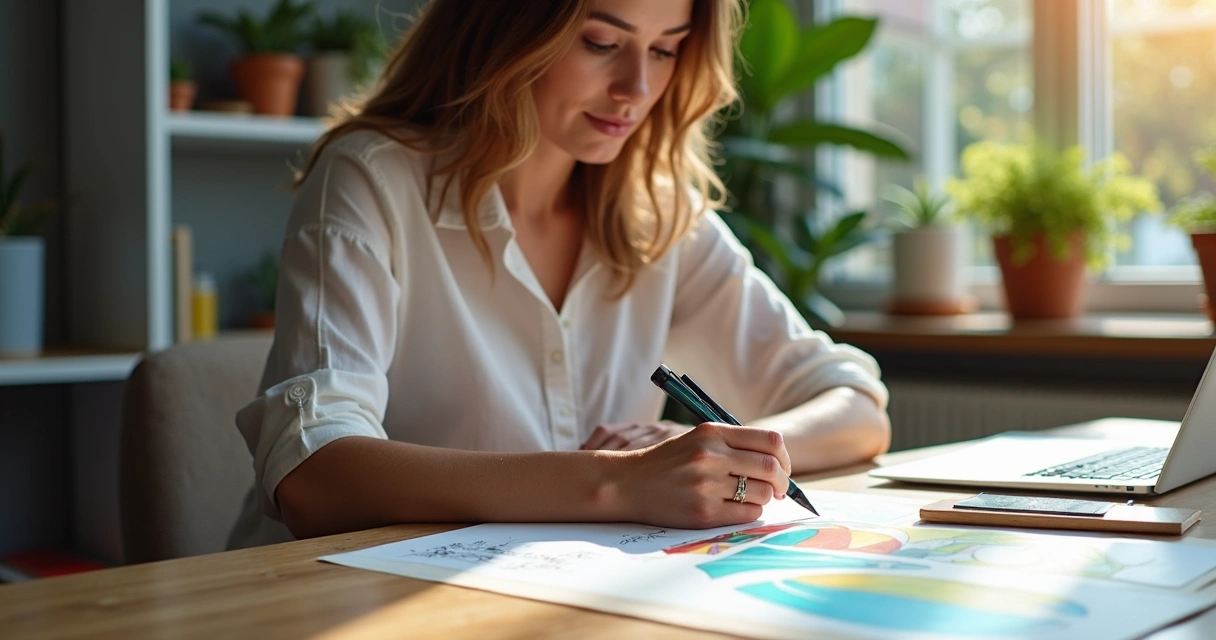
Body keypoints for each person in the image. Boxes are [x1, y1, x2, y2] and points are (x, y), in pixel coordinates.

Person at [227, 0, 890, 550]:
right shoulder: (372, 179)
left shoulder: (659, 213)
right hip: (326, 600)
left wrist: (719, 455)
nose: (637, 88)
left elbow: (856, 404)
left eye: (666, 49)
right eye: (602, 42)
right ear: (506, 27)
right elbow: (312, 474)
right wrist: (618, 480)